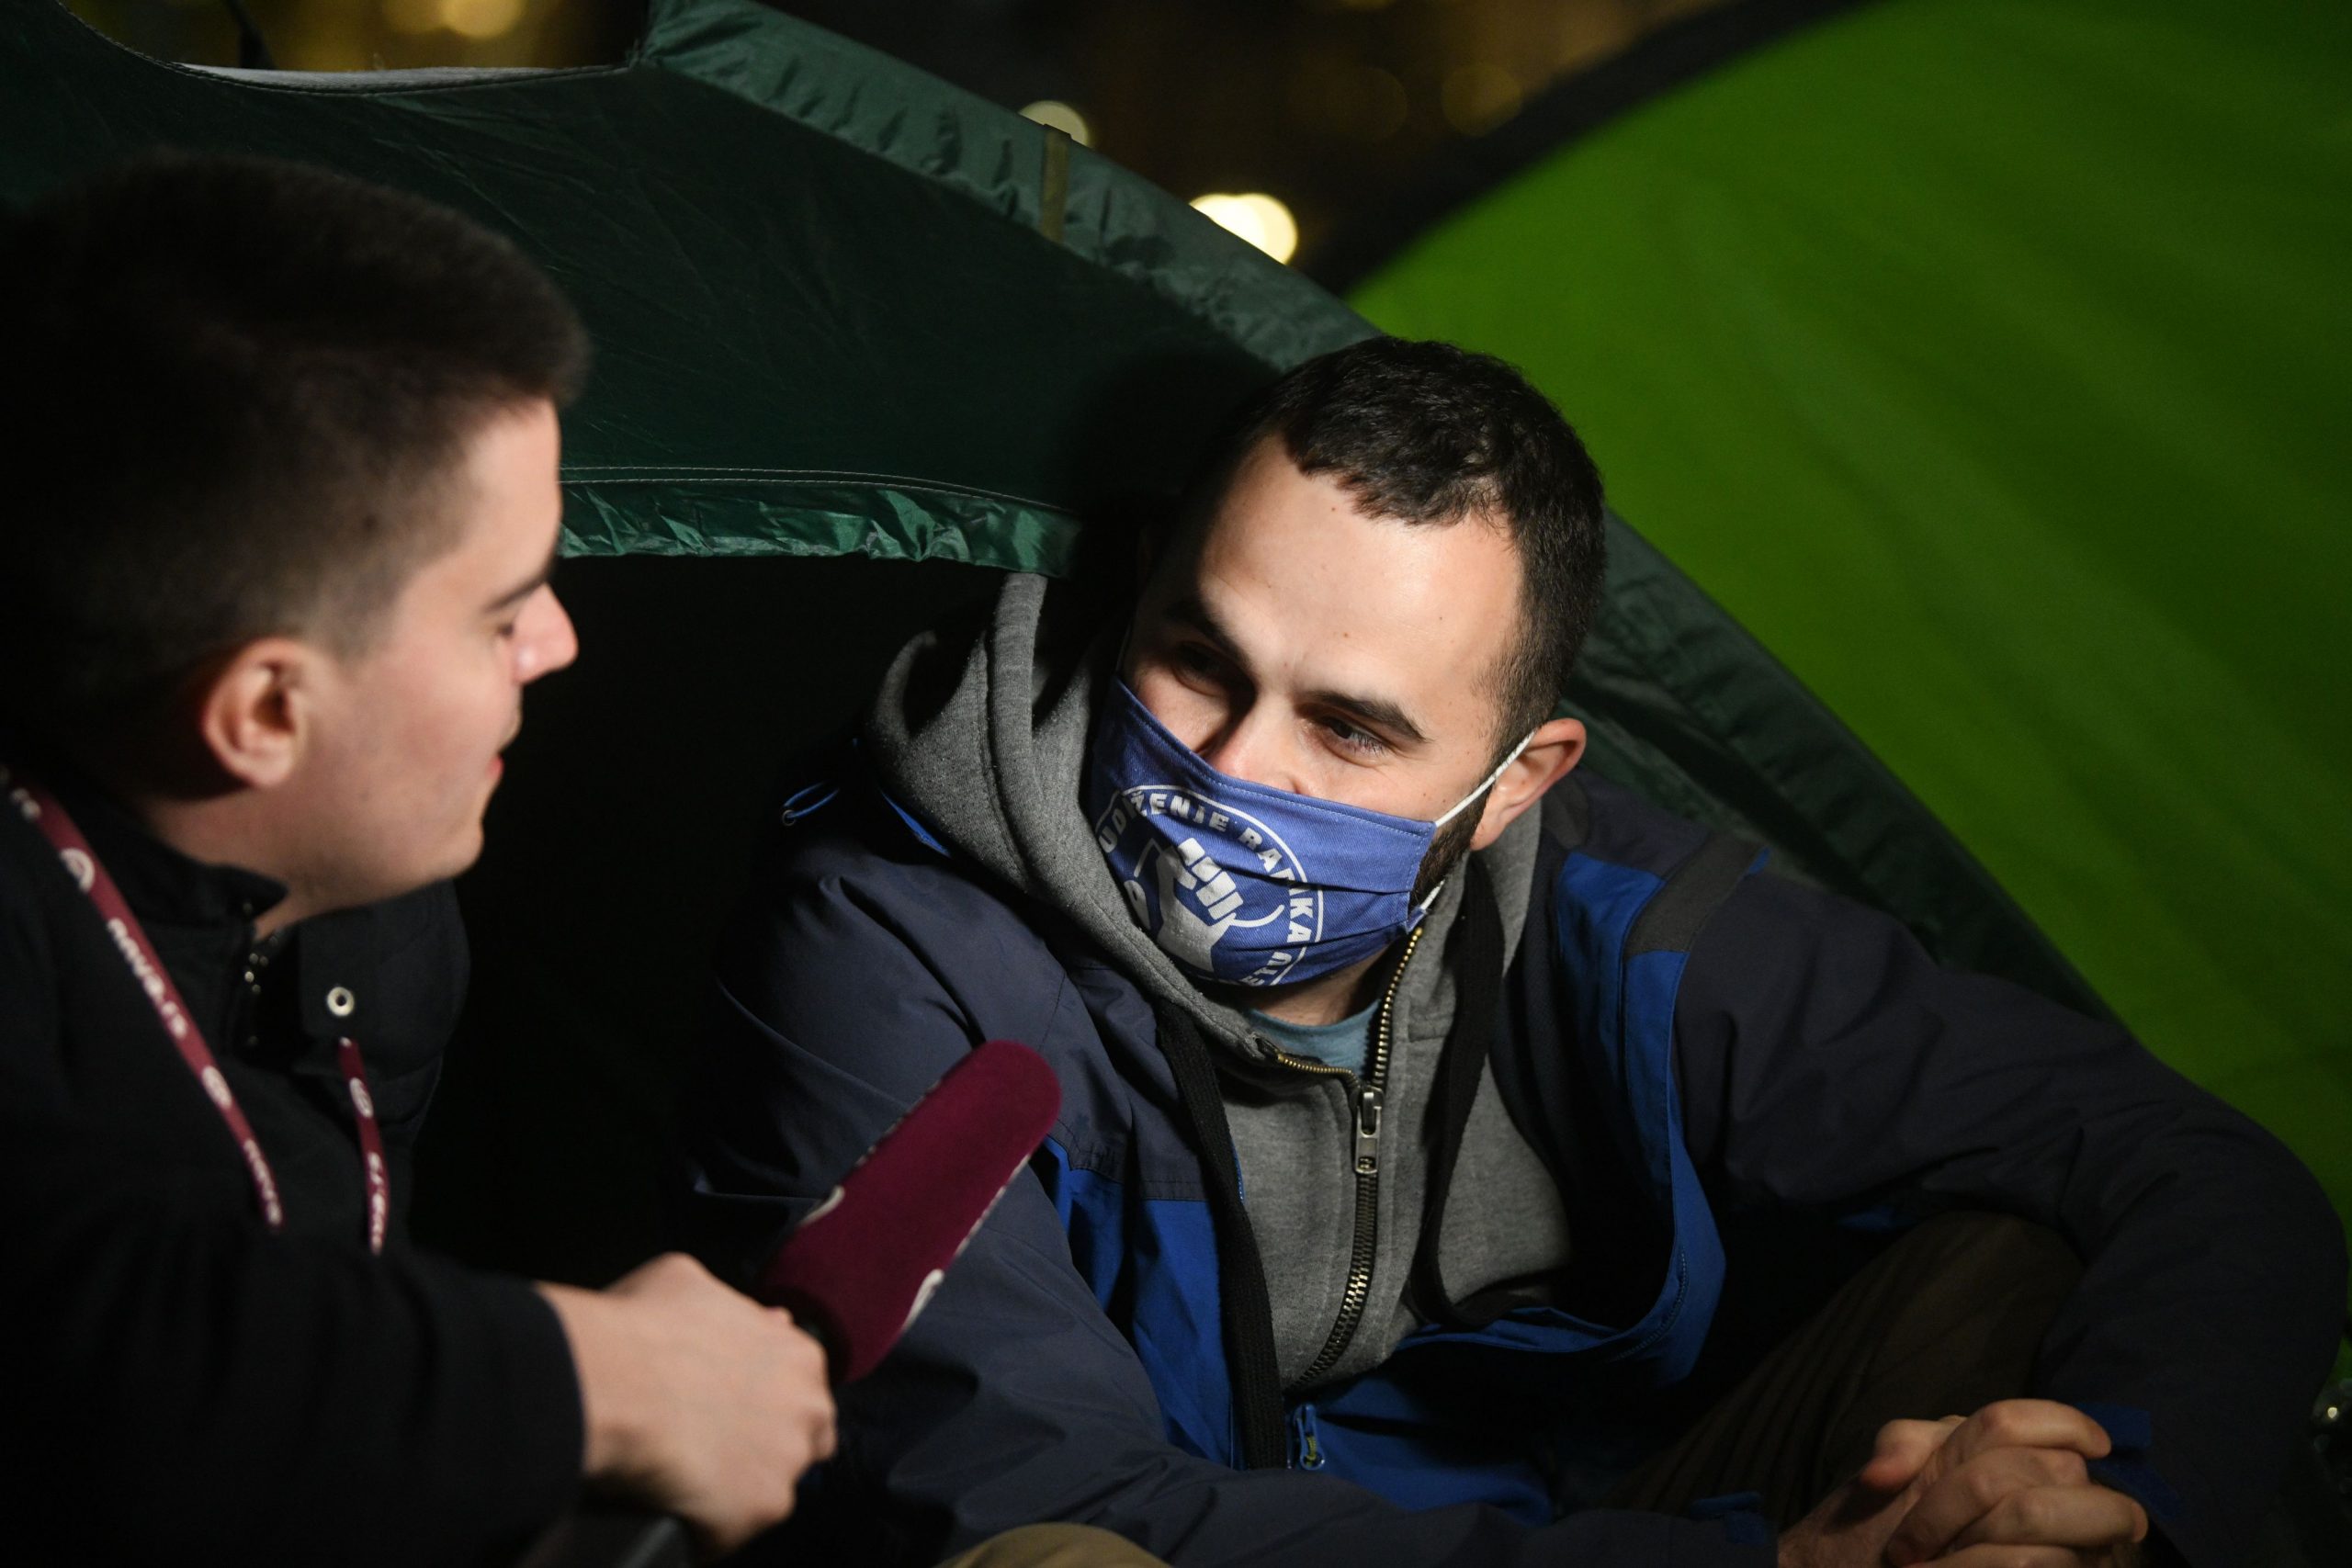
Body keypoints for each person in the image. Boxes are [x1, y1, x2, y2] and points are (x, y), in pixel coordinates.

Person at [682, 337, 2346, 1567]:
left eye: (1351, 729)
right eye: (1199, 660)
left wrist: (2118, 1498)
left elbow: (2203, 1171)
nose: (1241, 769)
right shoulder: (889, 928)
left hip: (1597, 1530)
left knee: (2031, 1282)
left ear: (1509, 787)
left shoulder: (1619, 916)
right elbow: (1024, 1496)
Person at [0, 152, 842, 1564]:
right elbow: (74, 1330)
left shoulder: (381, 917)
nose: (559, 645)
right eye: (501, 609)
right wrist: (606, 1379)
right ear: (267, 709)